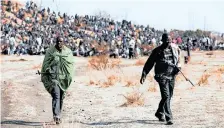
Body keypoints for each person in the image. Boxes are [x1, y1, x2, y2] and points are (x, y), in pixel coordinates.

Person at [140, 33, 181, 125]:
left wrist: (178, 68)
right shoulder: (157, 51)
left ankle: (159, 112)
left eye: (169, 41)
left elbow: (178, 60)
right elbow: (149, 63)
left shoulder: (174, 50)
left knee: (169, 96)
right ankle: (169, 117)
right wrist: (144, 73)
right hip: (161, 76)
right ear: (162, 41)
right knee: (166, 96)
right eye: (166, 41)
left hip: (171, 76)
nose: (168, 43)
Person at [41, 36, 74, 124]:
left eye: (61, 42)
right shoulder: (50, 51)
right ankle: (56, 116)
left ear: (63, 42)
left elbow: (70, 66)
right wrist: (47, 69)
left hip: (63, 79)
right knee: (56, 96)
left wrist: (69, 77)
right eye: (58, 42)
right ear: (55, 42)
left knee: (61, 98)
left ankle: (58, 114)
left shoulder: (67, 52)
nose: (59, 43)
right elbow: (45, 64)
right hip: (54, 79)